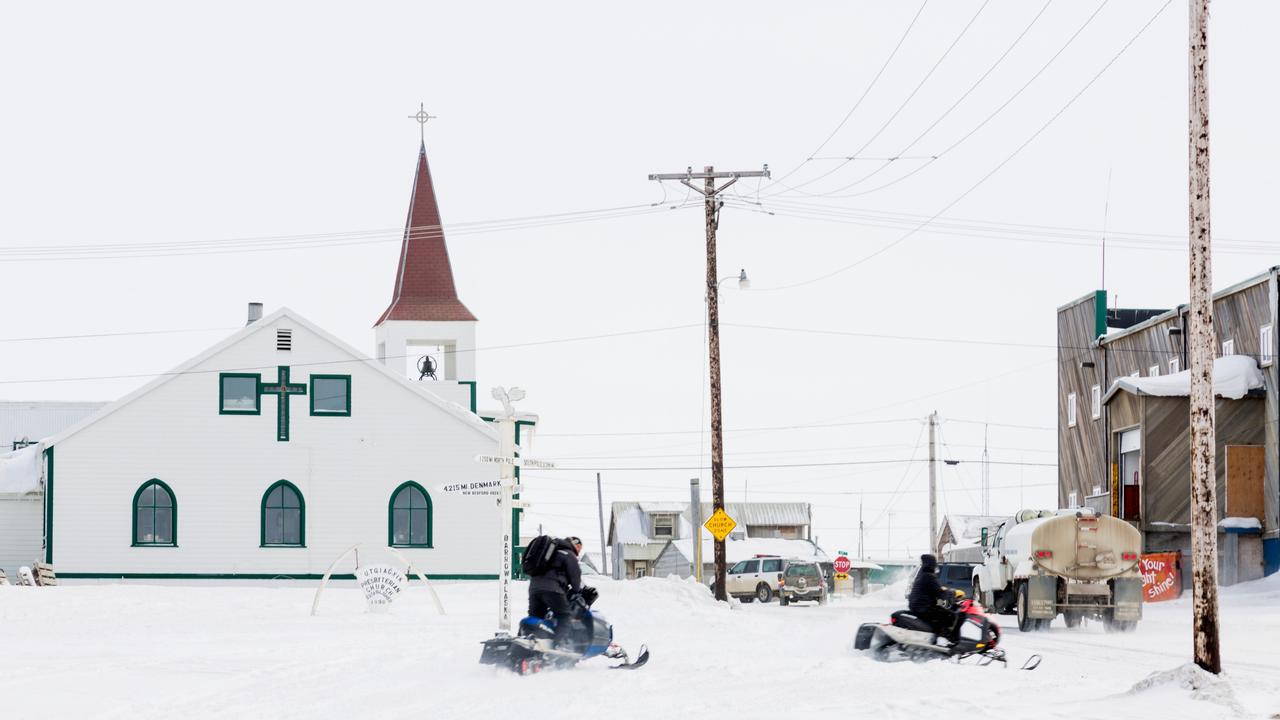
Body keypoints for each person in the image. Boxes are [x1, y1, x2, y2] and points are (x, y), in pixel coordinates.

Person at [528, 535, 584, 649]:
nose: (579, 551)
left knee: (536, 617)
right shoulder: (569, 554)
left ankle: (532, 642)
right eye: (580, 548)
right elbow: (575, 578)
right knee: (564, 615)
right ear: (576, 545)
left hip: (534, 589)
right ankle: (559, 644)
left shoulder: (549, 553)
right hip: (553, 590)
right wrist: (576, 590)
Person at [907, 554, 955, 640]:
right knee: (948, 615)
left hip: (917, 606)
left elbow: (932, 596)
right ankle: (943, 640)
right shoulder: (929, 576)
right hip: (923, 607)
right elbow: (940, 594)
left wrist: (942, 600)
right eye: (934, 563)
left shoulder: (921, 575)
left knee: (941, 610)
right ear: (932, 564)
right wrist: (951, 593)